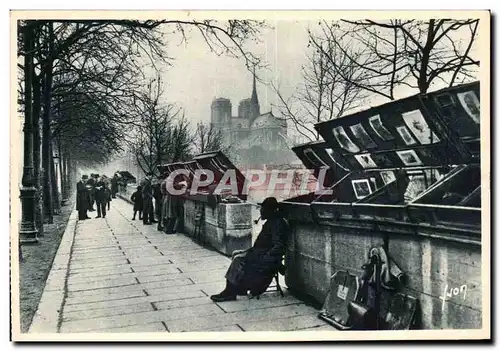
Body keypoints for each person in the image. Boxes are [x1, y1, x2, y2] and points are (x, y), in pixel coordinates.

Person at [210, 197, 289, 302]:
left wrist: (264, 258)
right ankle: (238, 288)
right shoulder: (272, 221)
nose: (261, 211)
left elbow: (278, 246)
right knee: (235, 253)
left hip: (262, 256)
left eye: (263, 209)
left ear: (270, 210)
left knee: (238, 259)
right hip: (258, 252)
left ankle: (229, 292)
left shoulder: (277, 224)